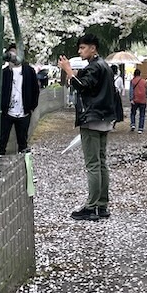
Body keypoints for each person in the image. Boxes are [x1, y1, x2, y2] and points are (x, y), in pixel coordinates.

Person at [59, 34, 118, 221]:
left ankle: (92, 206)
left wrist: (68, 71)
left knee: (93, 164)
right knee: (101, 162)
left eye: (83, 48)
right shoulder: (103, 66)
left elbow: (83, 86)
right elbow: (89, 82)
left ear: (93, 48)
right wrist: (73, 73)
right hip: (104, 118)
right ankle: (102, 204)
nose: (79, 51)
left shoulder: (94, 66)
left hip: (92, 118)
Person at [0, 44, 41, 154]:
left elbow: (35, 90)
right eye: (12, 53)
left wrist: (31, 107)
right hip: (7, 112)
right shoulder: (4, 73)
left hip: (24, 112)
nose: (14, 55)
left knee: (23, 141)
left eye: (17, 52)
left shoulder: (29, 71)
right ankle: (0, 162)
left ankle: (23, 164)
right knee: (2, 140)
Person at [129, 68, 147, 133]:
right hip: (143, 100)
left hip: (135, 100)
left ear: (134, 74)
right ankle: (140, 128)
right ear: (140, 74)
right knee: (142, 115)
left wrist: (131, 99)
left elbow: (131, 91)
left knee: (133, 113)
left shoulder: (132, 81)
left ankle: (133, 124)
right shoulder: (144, 81)